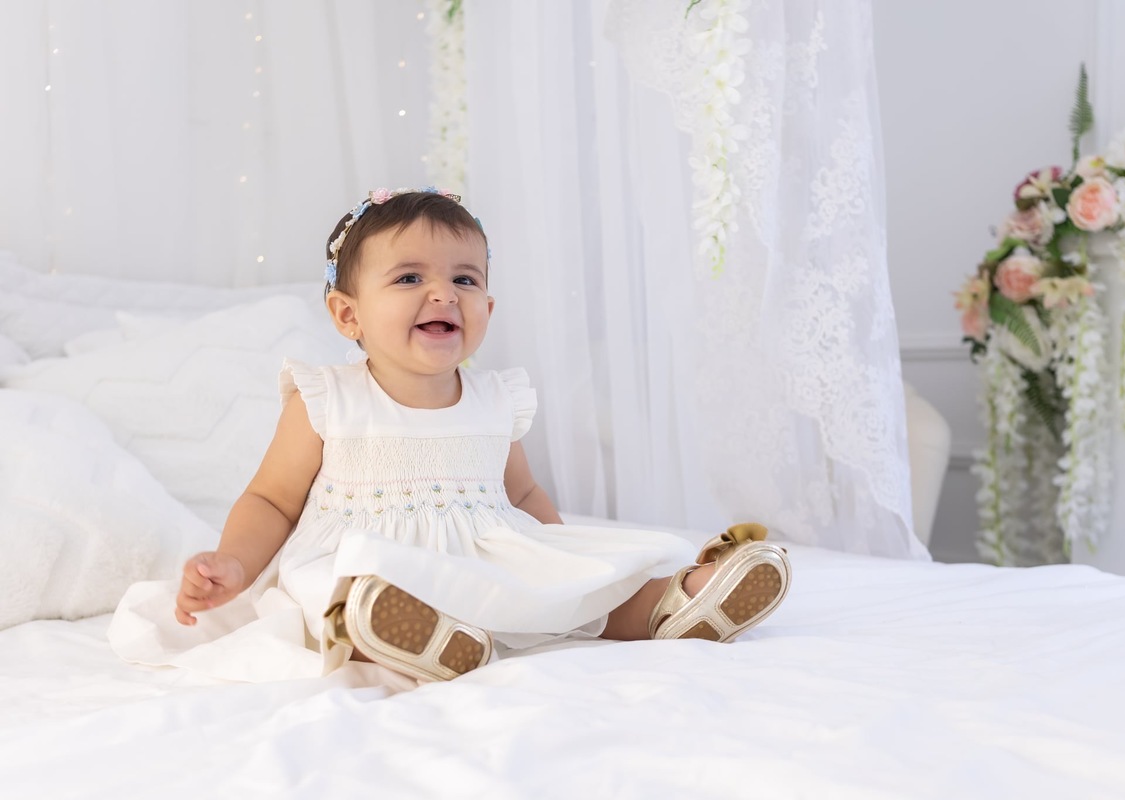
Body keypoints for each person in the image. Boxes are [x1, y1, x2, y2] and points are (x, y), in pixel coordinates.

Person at [110, 188, 791, 685]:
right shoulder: (328, 397)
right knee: (335, 600)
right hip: (370, 563)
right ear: (347, 314)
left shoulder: (496, 399)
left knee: (576, 592)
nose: (443, 294)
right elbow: (271, 501)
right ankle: (415, 639)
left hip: (482, 551)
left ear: (487, 308)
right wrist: (233, 561)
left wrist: (569, 565)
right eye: (409, 278)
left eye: (465, 280)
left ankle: (678, 602)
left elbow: (520, 491)